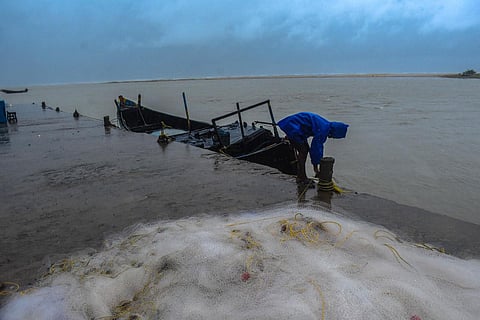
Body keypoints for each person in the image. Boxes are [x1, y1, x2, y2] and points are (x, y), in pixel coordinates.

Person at [277, 112, 349, 185]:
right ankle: (302, 177)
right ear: (336, 132)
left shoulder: (325, 125)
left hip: (295, 125)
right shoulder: (323, 129)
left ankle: (300, 176)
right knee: (303, 151)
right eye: (335, 136)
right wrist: (316, 168)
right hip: (293, 125)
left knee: (304, 149)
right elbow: (316, 149)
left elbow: (317, 146)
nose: (333, 138)